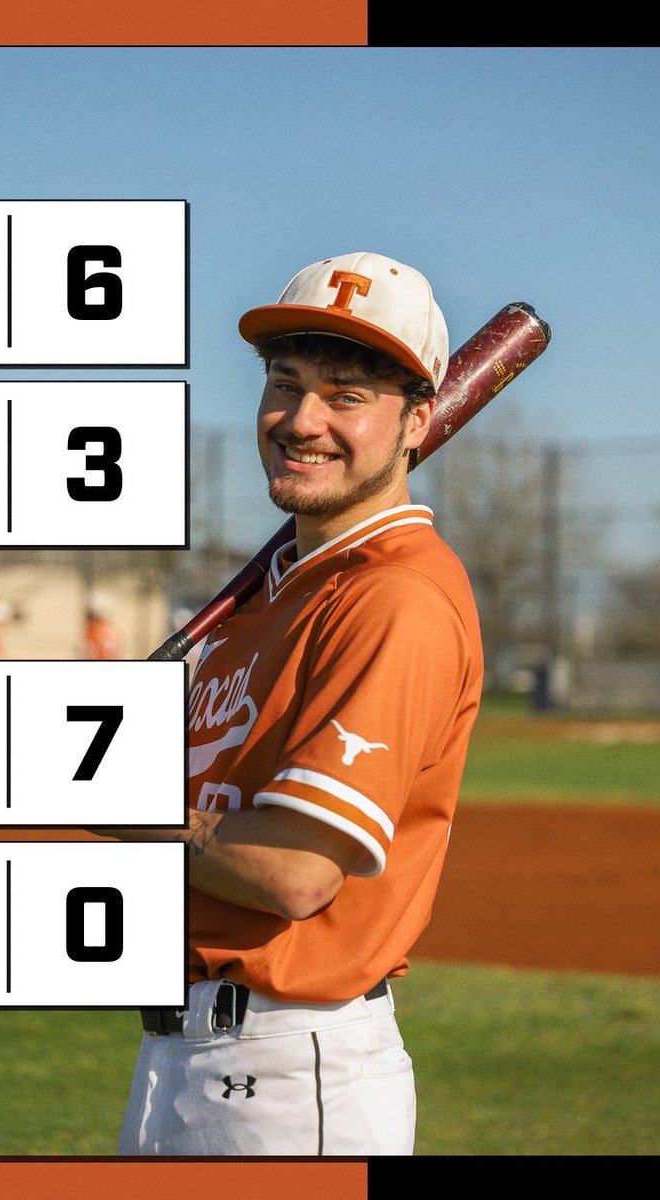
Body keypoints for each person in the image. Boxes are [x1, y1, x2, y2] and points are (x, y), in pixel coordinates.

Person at [102, 252, 483, 1156]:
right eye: (285, 385)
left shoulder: (395, 597)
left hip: (283, 1080)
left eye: (345, 395)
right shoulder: (267, 597)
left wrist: (127, 805)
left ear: (417, 421)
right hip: (181, 1057)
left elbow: (294, 870)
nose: (302, 421)